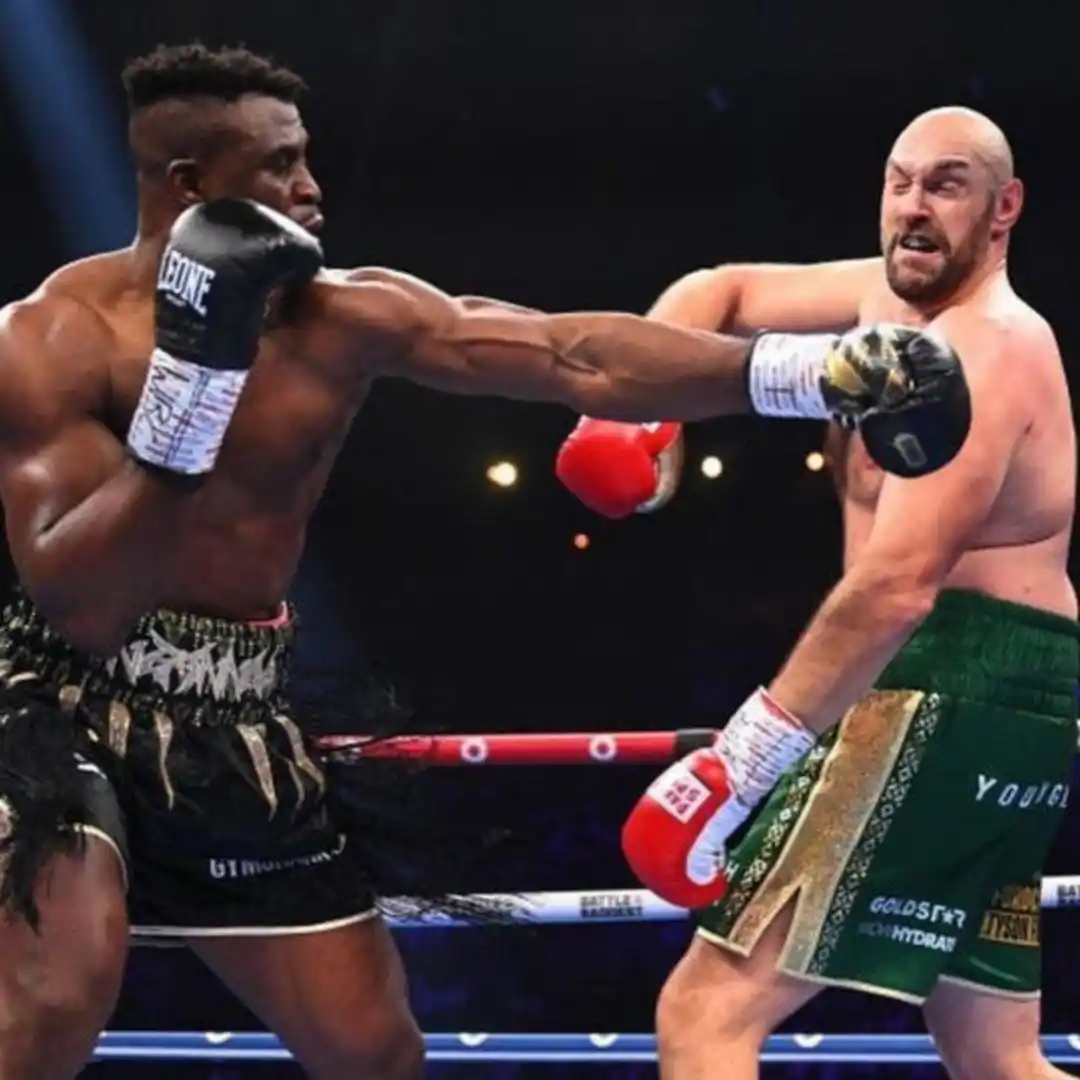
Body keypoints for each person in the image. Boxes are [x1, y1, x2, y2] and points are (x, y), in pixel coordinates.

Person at [0, 45, 970, 1080]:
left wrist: (809, 371)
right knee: (61, 984)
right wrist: (192, 392)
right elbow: (81, 603)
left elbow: (567, 353)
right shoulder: (53, 340)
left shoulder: (344, 315)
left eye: (306, 156)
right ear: (190, 184)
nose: (312, 188)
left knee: (375, 1051)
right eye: (279, 165)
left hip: (237, 723)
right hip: (60, 708)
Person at [558, 106, 1078, 1080]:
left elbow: (898, 584)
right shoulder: (883, 304)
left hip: (940, 679)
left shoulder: (986, 348)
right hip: (1007, 700)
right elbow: (722, 290)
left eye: (947, 185)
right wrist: (640, 417)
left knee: (706, 1012)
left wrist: (736, 767)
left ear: (1004, 207)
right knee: (996, 1055)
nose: (914, 207)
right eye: (900, 181)